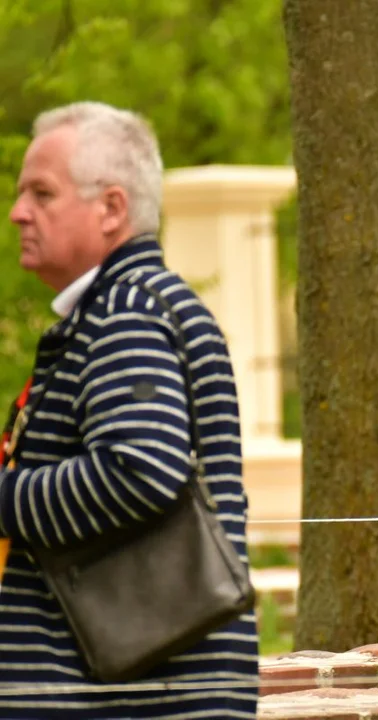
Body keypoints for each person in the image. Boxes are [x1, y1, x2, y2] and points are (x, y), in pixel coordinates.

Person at [0, 101, 258, 716]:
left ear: (112, 208)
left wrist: (3, 500)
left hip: (123, 694)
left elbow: (139, 469)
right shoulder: (140, 304)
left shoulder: (126, 313)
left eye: (42, 193)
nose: (17, 213)